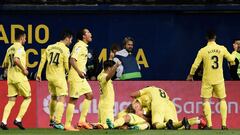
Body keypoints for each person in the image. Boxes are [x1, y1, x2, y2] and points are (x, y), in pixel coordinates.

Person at [186, 31, 235, 130]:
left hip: (207, 79)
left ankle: (209, 125)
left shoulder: (203, 50)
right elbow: (230, 59)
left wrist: (190, 75)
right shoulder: (222, 48)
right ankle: (224, 125)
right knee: (222, 99)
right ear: (215, 37)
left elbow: (195, 65)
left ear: (206, 38)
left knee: (206, 100)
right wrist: (234, 52)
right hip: (219, 79)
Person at [36, 30, 73, 129]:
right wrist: (70, 75)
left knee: (53, 97)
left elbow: (42, 61)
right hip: (59, 77)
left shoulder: (49, 47)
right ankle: (57, 120)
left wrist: (39, 73)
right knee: (62, 97)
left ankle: (51, 118)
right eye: (71, 40)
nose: (71, 42)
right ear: (67, 38)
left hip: (50, 77)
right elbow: (66, 64)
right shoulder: (65, 49)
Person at [0, 29, 31, 130]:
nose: (25, 40)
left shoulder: (9, 49)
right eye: (25, 38)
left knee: (11, 101)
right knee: (28, 98)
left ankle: (3, 122)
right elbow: (16, 59)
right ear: (21, 38)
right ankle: (18, 119)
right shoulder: (20, 48)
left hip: (11, 78)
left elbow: (4, 64)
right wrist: (24, 70)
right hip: (19, 77)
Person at [130, 86, 201, 130]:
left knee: (156, 125)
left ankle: (166, 124)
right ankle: (193, 121)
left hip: (158, 104)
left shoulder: (148, 90)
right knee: (175, 125)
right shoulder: (160, 90)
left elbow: (132, 94)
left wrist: (136, 98)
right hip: (169, 104)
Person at [64, 28, 93, 131]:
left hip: (81, 76)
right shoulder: (79, 46)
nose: (90, 34)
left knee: (89, 95)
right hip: (76, 76)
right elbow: (72, 59)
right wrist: (78, 71)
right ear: (83, 36)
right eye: (88, 32)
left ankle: (82, 121)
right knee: (73, 99)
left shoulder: (84, 46)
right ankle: (67, 125)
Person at [97, 60, 121, 129]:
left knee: (102, 125)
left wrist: (111, 57)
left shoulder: (101, 74)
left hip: (103, 104)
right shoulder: (104, 76)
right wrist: (116, 65)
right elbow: (109, 76)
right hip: (106, 105)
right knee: (107, 126)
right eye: (113, 69)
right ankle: (92, 125)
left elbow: (105, 67)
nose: (115, 71)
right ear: (109, 68)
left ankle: (94, 125)